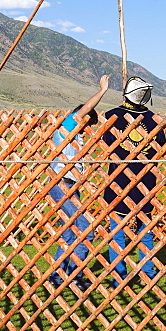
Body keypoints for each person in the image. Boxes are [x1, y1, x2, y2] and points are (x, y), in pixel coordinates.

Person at [47, 75, 110, 291]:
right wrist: (102, 91)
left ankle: (57, 276)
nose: (88, 128)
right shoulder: (70, 122)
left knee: (69, 231)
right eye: (89, 123)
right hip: (61, 183)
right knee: (85, 228)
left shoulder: (75, 134)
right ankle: (75, 274)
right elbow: (86, 108)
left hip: (67, 184)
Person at [102, 76, 166, 286]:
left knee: (118, 231)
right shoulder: (153, 119)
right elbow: (160, 148)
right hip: (144, 180)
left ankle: (119, 275)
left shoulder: (112, 116)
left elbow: (106, 142)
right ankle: (147, 271)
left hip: (119, 180)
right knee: (144, 229)